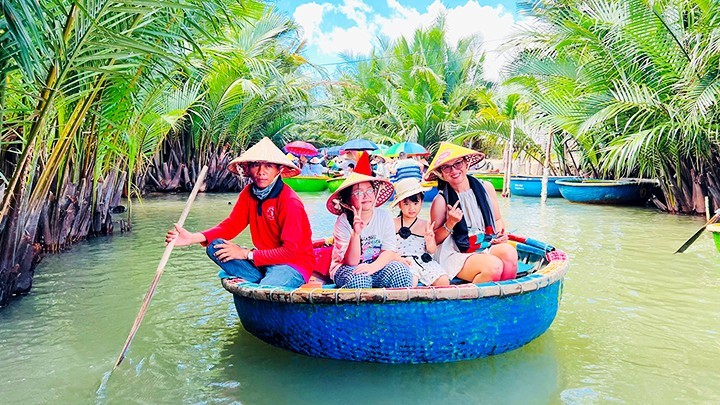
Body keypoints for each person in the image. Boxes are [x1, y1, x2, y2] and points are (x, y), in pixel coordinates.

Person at [165, 137, 316, 288]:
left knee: (266, 289)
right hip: (264, 262)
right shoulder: (248, 193)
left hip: (292, 265)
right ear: (248, 169)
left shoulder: (289, 201)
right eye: (256, 165)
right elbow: (231, 225)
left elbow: (290, 252)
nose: (261, 172)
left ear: (279, 170)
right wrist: (193, 238)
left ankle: (262, 281)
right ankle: (260, 278)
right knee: (215, 246)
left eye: (269, 166)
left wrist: (246, 254)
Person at [425, 142, 518, 283]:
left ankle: (502, 300)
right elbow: (434, 241)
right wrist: (450, 223)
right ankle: (477, 302)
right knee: (493, 266)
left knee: (509, 253)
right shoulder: (441, 201)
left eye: (458, 164)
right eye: (446, 167)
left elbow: (497, 220)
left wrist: (499, 235)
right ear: (441, 174)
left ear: (466, 163)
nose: (454, 171)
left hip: (484, 243)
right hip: (454, 252)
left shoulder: (486, 188)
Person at [326, 172, 414, 288]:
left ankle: (392, 307)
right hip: (347, 268)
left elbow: (388, 251)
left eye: (369, 190)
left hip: (376, 266)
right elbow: (351, 262)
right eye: (358, 192)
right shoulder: (343, 221)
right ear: (348, 200)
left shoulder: (384, 216)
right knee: (361, 279)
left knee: (401, 272)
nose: (366, 196)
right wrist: (356, 234)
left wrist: (372, 267)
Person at [391, 178, 450, 287]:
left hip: (424, 262)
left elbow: (432, 250)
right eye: (406, 204)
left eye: (415, 203)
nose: (411, 208)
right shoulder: (393, 224)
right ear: (399, 204)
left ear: (421, 202)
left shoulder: (426, 224)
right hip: (403, 262)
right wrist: (397, 258)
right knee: (410, 281)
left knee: (443, 281)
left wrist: (430, 240)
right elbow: (386, 249)